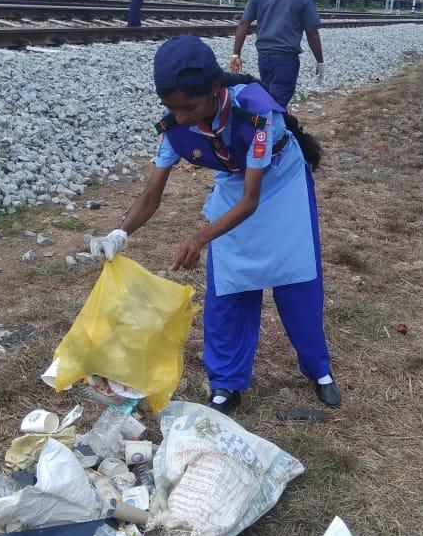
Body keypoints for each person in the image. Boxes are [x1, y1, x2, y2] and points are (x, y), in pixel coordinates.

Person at [90, 35, 340, 415]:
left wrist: (199, 237)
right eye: (172, 108)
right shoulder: (175, 127)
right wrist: (119, 234)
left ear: (214, 89)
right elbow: (152, 194)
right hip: (236, 181)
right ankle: (226, 383)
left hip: (280, 182)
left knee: (297, 279)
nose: (181, 117)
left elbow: (251, 201)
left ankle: (318, 370)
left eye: (188, 107)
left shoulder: (255, 113)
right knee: (230, 286)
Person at [230, 0, 326, 108]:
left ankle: (266, 121)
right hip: (286, 60)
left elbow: (244, 23)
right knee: (276, 106)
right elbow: (312, 32)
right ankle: (266, 123)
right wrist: (320, 62)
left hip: (263, 59)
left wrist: (236, 54)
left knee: (269, 98)